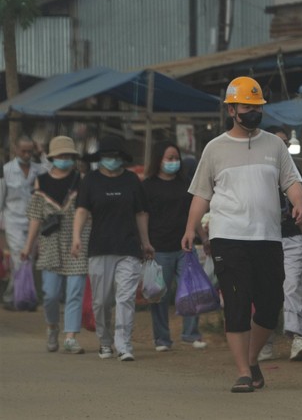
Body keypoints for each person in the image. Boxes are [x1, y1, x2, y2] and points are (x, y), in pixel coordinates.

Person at [182, 76, 302, 393]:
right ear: (232, 109)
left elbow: (291, 181)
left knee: (270, 303)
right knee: (237, 303)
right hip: (228, 236)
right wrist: (190, 229)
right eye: (246, 107)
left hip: (267, 237)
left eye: (257, 107)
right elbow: (200, 194)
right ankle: (242, 372)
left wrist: (298, 203)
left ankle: (251, 360)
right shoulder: (215, 148)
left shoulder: (275, 145)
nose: (252, 112)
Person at [71, 134, 154, 362]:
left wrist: (145, 242)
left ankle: (124, 345)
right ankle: (105, 341)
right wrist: (76, 237)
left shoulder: (132, 181)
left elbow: (141, 213)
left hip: (128, 247)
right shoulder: (90, 181)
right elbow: (81, 210)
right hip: (100, 248)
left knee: (125, 297)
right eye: (106, 156)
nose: (111, 160)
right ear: (100, 158)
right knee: (101, 302)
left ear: (122, 158)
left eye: (115, 156)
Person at [20, 136, 89, 354]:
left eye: (68, 155)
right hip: (50, 243)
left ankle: (70, 336)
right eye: (61, 155)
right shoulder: (42, 182)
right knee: (50, 294)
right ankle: (52, 326)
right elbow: (35, 217)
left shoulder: (81, 180)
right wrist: (28, 246)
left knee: (75, 291)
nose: (65, 159)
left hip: (77, 242)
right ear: (52, 157)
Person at [142, 140, 209, 352]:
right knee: (159, 295)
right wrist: (145, 242)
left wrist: (204, 238)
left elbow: (194, 215)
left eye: (176, 158)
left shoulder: (185, 185)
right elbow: (142, 216)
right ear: (158, 160)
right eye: (169, 158)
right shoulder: (148, 186)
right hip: (159, 247)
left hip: (185, 246)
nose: (173, 162)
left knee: (191, 289)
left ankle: (191, 333)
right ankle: (162, 339)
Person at [258, 126, 302, 362]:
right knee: (265, 291)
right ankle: (264, 341)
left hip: (291, 237)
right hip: (262, 238)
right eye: (277, 142)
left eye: (285, 143)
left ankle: (296, 338)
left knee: (291, 286)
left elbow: (301, 212)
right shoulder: (258, 170)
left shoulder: (294, 171)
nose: (282, 146)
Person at [0, 135, 49, 310]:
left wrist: (41, 152)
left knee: (28, 258)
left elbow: (51, 170)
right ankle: (18, 296)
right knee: (19, 258)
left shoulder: (38, 169)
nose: (27, 154)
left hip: (34, 222)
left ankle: (18, 296)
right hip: (13, 220)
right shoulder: (6, 170)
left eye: (30, 151)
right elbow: (1, 198)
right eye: (24, 151)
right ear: (15, 149)